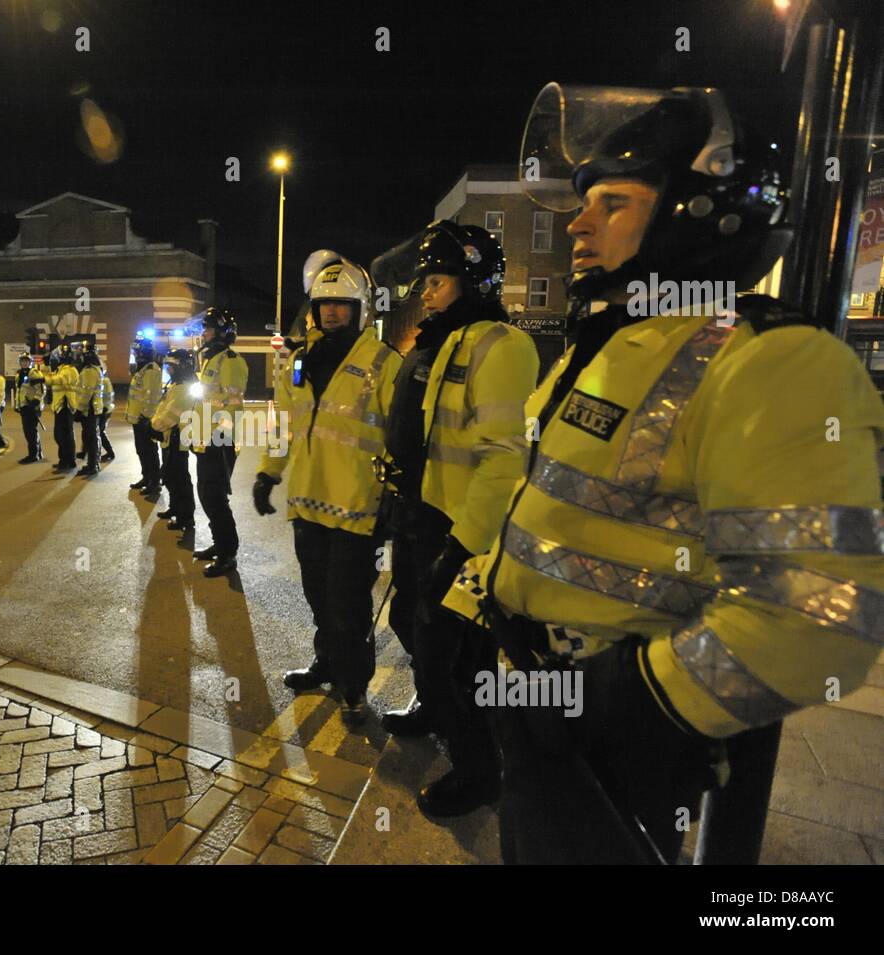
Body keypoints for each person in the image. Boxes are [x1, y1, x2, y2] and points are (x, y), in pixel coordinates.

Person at [441, 84, 884, 864]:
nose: (577, 222)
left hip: (618, 752)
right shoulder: (618, 343)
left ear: (696, 211)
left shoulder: (773, 360)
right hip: (538, 705)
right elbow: (549, 509)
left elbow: (822, 616)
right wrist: (468, 600)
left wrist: (619, 706)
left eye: (612, 202)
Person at [369, 221, 539, 817]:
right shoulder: (435, 342)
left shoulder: (500, 345)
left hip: (458, 530)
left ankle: (478, 771)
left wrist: (461, 545)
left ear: (473, 282)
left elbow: (502, 456)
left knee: (458, 655)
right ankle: (431, 707)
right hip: (419, 517)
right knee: (412, 626)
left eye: (439, 281)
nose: (429, 293)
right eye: (426, 283)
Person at [254, 253, 402, 723]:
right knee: (318, 596)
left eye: (341, 304)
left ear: (361, 310)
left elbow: (401, 435)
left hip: (358, 508)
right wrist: (268, 472)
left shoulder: (383, 362)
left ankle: (354, 685)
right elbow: (284, 423)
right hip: (309, 506)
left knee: (349, 604)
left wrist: (395, 498)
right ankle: (327, 662)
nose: (332, 312)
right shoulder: (299, 361)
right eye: (324, 305)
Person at [192, 307, 249, 577]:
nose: (204, 333)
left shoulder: (231, 362)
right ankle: (219, 543)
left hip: (219, 442)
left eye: (209, 328)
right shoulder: (211, 361)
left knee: (215, 498)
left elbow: (232, 407)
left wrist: (218, 439)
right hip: (206, 439)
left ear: (223, 332)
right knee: (206, 494)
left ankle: (228, 554)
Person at [151, 348, 198, 534]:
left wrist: (153, 426)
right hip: (170, 438)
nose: (168, 369)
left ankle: (185, 518)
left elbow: (170, 415)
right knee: (171, 476)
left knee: (179, 479)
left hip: (177, 440)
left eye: (171, 366)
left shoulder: (183, 388)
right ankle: (176, 508)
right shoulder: (177, 385)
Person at [126, 336, 164, 495]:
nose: (135, 353)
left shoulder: (151, 369)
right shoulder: (142, 368)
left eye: (137, 351)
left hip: (145, 419)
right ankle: (146, 477)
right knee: (141, 450)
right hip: (138, 418)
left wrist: (145, 417)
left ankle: (154, 482)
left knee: (149, 450)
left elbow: (151, 396)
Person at [74, 344, 104, 477]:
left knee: (91, 438)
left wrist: (79, 409)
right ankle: (93, 464)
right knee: (91, 436)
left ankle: (93, 465)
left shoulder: (90, 371)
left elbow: (86, 392)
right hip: (92, 408)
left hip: (89, 409)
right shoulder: (95, 369)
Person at [47, 347, 78, 471]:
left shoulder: (69, 370)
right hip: (60, 406)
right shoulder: (61, 370)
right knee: (61, 435)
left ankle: (67, 461)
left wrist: (43, 379)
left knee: (64, 435)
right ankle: (67, 460)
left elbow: (60, 380)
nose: (55, 359)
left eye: (57, 357)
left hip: (66, 406)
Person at [16, 353, 45, 464]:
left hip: (33, 407)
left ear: (30, 362)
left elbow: (42, 389)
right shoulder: (19, 374)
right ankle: (38, 453)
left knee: (30, 432)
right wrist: (18, 405)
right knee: (30, 431)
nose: (24, 363)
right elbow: (20, 391)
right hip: (24, 406)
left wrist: (36, 400)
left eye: (26, 361)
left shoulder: (34, 373)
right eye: (22, 361)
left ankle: (33, 455)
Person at [92, 350, 115, 463]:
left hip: (105, 410)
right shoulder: (101, 379)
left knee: (100, 431)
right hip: (103, 408)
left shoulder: (104, 381)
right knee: (94, 430)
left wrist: (104, 408)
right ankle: (87, 451)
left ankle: (110, 453)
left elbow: (108, 396)